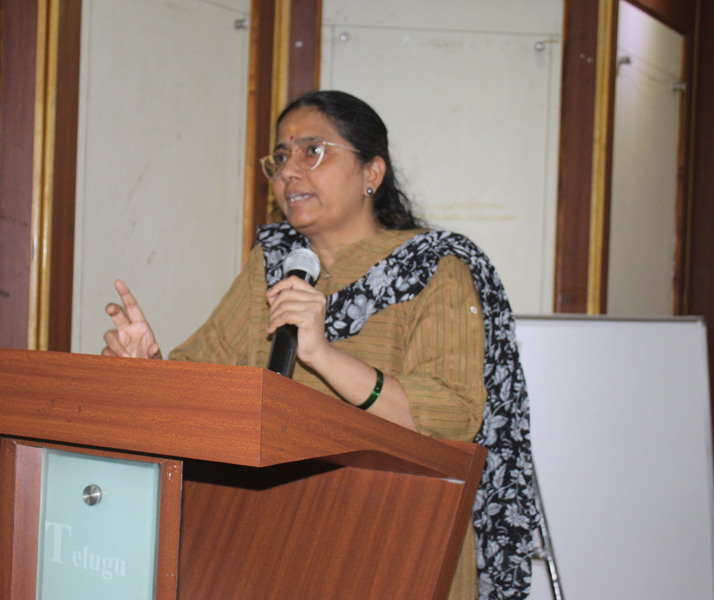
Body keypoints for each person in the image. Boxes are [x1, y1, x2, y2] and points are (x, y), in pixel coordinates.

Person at [102, 90, 535, 600]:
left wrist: (324, 356)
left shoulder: (436, 267)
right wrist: (149, 367)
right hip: (268, 539)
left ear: (372, 172)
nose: (289, 171)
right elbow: (210, 380)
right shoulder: (272, 266)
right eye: (281, 157)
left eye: (313, 151)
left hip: (398, 541)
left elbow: (454, 413)